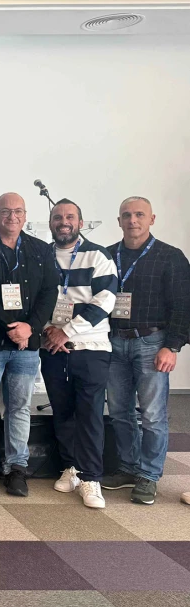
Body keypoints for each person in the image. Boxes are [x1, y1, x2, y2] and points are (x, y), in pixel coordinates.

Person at [0, 193, 59, 497]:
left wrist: (30, 328)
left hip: (26, 347)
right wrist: (10, 328)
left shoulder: (41, 249)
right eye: (5, 211)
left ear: (25, 215)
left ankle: (16, 468)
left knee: (19, 407)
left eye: (18, 211)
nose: (12, 216)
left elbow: (48, 293)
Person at [103, 197, 190, 505]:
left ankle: (150, 475)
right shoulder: (107, 255)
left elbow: (183, 306)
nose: (133, 220)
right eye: (126, 215)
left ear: (152, 219)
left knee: (152, 415)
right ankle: (128, 467)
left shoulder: (170, 257)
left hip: (152, 342)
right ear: (119, 220)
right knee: (119, 411)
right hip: (113, 342)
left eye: (139, 214)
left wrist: (172, 345)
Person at [41, 199, 118, 509]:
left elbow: (105, 301)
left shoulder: (98, 256)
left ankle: (90, 478)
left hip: (91, 349)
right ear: (50, 223)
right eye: (57, 217)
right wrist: (49, 330)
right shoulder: (42, 255)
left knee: (89, 415)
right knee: (63, 412)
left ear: (80, 222)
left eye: (70, 217)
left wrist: (67, 332)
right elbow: (35, 298)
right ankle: (71, 468)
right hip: (52, 348)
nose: (64, 222)